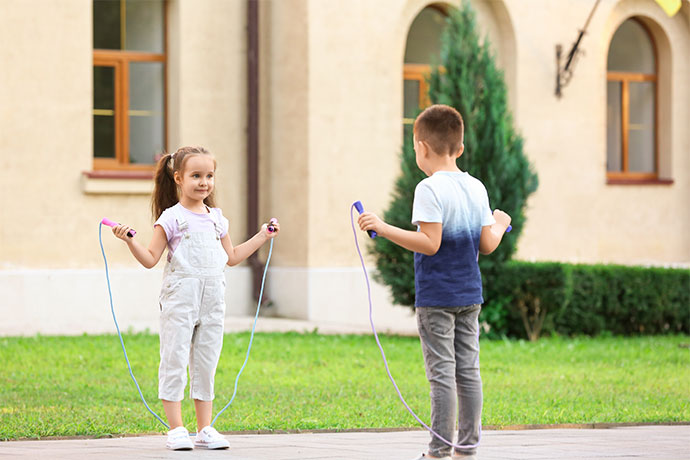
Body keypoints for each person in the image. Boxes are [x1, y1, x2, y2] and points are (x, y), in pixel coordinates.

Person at [358, 105, 511, 460]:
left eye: (414, 149)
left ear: (422, 147)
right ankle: (468, 446)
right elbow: (488, 244)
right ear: (459, 148)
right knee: (468, 371)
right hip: (470, 295)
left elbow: (430, 243)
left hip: (437, 298)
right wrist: (500, 223)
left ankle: (440, 450)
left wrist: (382, 227)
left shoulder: (429, 188)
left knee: (442, 373)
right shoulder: (476, 187)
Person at [110, 146, 280, 450]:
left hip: (213, 301)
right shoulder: (171, 218)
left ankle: (205, 429)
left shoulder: (217, 219)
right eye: (196, 176)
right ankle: (176, 428)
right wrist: (130, 241)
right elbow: (151, 259)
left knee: (206, 362)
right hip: (180, 300)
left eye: (209, 176)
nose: (204, 182)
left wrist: (262, 236)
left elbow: (232, 257)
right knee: (174, 357)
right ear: (178, 178)